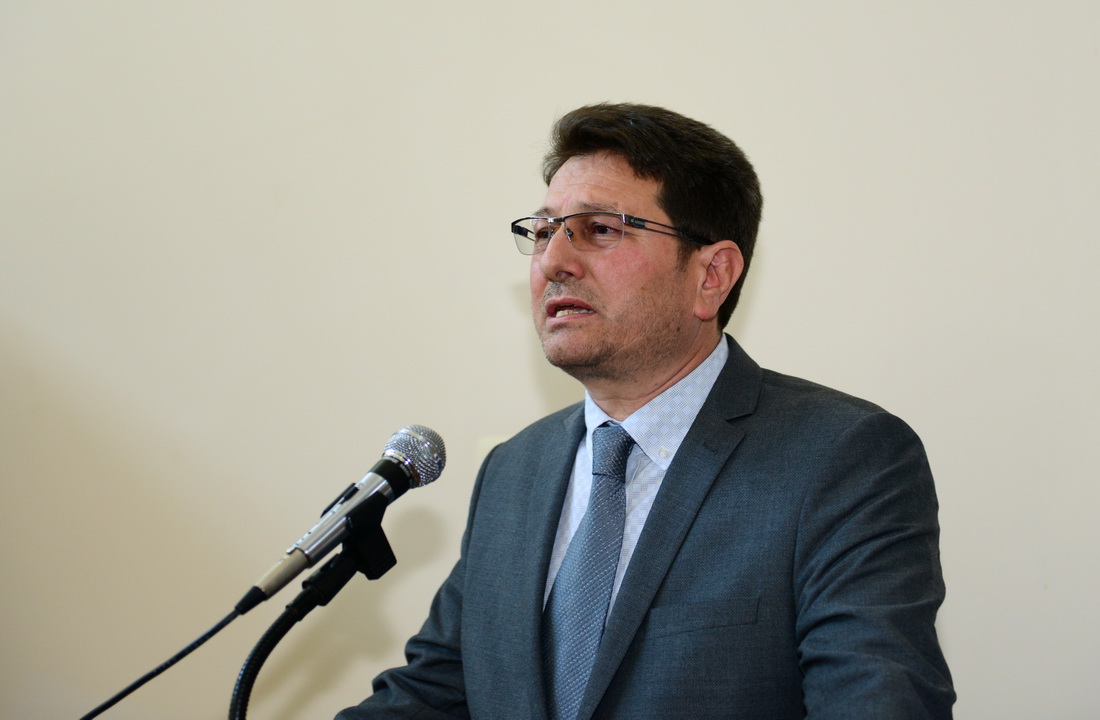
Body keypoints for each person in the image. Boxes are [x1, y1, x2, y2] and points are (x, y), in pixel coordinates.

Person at [336, 103, 954, 719]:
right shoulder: (513, 471)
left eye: (601, 230)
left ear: (712, 275)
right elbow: (433, 695)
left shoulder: (842, 459)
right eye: (544, 232)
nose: (553, 262)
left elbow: (878, 702)